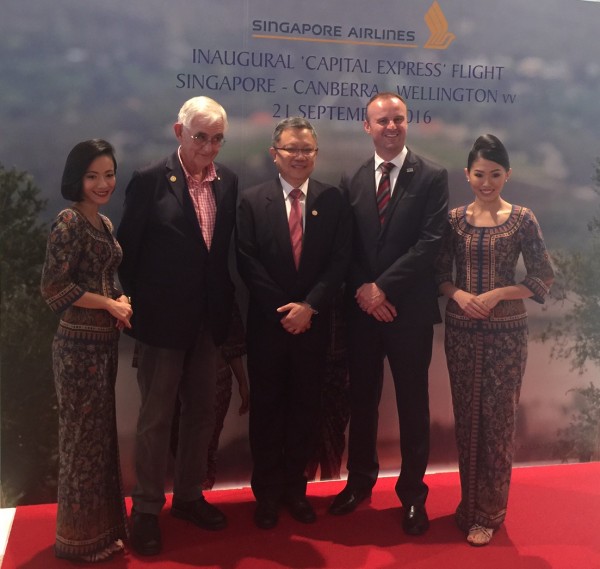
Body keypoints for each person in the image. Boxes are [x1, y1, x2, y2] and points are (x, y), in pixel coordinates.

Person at [117, 96, 238, 556]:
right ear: (178, 132)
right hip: (161, 324)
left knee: (202, 415)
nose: (209, 147)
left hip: (208, 323)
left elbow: (220, 256)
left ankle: (188, 497)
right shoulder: (150, 181)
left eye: (217, 139)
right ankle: (146, 508)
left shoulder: (227, 181)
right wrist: (141, 309)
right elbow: (126, 256)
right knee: (155, 419)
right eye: (200, 136)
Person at [329, 92, 449, 537]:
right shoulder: (353, 177)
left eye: (398, 119)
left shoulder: (432, 175)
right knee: (362, 402)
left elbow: (430, 242)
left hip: (408, 311)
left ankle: (413, 496)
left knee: (413, 405)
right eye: (382, 121)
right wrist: (366, 291)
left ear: (407, 121)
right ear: (367, 127)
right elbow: (348, 247)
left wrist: (383, 288)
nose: (391, 127)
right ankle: (359, 482)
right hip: (363, 311)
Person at [435, 134, 554, 546]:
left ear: (508, 174)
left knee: (499, 423)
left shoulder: (523, 218)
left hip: (507, 334)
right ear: (467, 175)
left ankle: (489, 513)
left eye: (495, 174)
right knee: (467, 420)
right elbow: (438, 275)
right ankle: (467, 508)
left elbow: (542, 278)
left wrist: (501, 292)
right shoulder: (452, 220)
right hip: (462, 330)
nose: (487, 182)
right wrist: (460, 294)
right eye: (480, 175)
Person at [236, 117, 352, 529]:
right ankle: (266, 494)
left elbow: (340, 261)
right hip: (269, 327)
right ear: (275, 154)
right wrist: (285, 310)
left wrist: (309, 307)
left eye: (307, 150)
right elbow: (247, 262)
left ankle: (294, 491)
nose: (299, 156)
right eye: (291, 149)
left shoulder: (332, 200)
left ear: (315, 155)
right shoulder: (252, 201)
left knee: (306, 409)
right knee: (267, 412)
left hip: (314, 326)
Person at [41, 139, 132, 563]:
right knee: (80, 443)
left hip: (104, 345)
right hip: (76, 349)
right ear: (77, 178)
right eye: (93, 175)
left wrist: (120, 300)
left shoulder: (105, 224)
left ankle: (102, 533)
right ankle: (76, 541)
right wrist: (107, 303)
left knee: (99, 440)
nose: (103, 183)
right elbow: (54, 287)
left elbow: (102, 281)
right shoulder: (69, 222)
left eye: (109, 174)